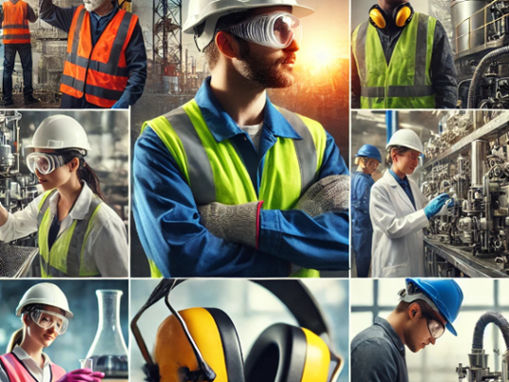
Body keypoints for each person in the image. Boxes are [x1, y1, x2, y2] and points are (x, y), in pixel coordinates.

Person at [133, 0, 350, 277]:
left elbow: (347, 237)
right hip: (201, 314)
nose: (294, 45)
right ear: (228, 45)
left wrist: (245, 224)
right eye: (278, 29)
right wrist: (298, 255)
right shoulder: (162, 142)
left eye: (294, 28)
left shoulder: (314, 138)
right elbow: (184, 259)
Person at [0, 114, 128, 277]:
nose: (38, 171)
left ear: (73, 164)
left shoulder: (103, 224)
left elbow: (120, 278)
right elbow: (11, 229)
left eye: (45, 162)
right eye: (35, 161)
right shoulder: (44, 203)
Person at [369, 129, 451, 277]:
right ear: (395, 155)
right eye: (412, 157)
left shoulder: (412, 185)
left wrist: (446, 207)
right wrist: (426, 212)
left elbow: (426, 208)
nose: (416, 163)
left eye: (418, 158)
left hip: (414, 262)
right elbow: (392, 228)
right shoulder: (380, 189)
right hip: (393, 264)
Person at [39, 0, 146, 108]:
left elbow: (138, 71)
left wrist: (124, 103)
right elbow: (46, 12)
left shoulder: (128, 24)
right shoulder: (76, 15)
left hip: (106, 107)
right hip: (71, 101)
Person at [351, 278, 463, 382]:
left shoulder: (391, 349)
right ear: (414, 312)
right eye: (436, 328)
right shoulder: (375, 348)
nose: (433, 341)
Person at [351, 0, 457, 108]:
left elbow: (447, 87)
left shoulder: (430, 28)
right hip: (371, 123)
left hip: (420, 122)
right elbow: (352, 92)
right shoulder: (357, 35)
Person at [0, 282, 104, 382]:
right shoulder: (3, 366)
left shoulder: (59, 372)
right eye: (46, 319)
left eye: (58, 324)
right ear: (27, 318)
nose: (53, 330)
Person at [0, 0, 39, 107]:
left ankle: (7, 99)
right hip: (23, 41)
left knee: (7, 70)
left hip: (9, 41)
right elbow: (33, 19)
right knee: (27, 68)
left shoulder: (3, 6)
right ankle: (28, 98)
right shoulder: (24, 5)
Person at [351, 144, 381, 277]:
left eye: (376, 164)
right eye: (373, 163)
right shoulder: (362, 180)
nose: (375, 167)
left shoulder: (363, 178)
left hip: (363, 227)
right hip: (363, 229)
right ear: (363, 161)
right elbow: (365, 205)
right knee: (363, 262)